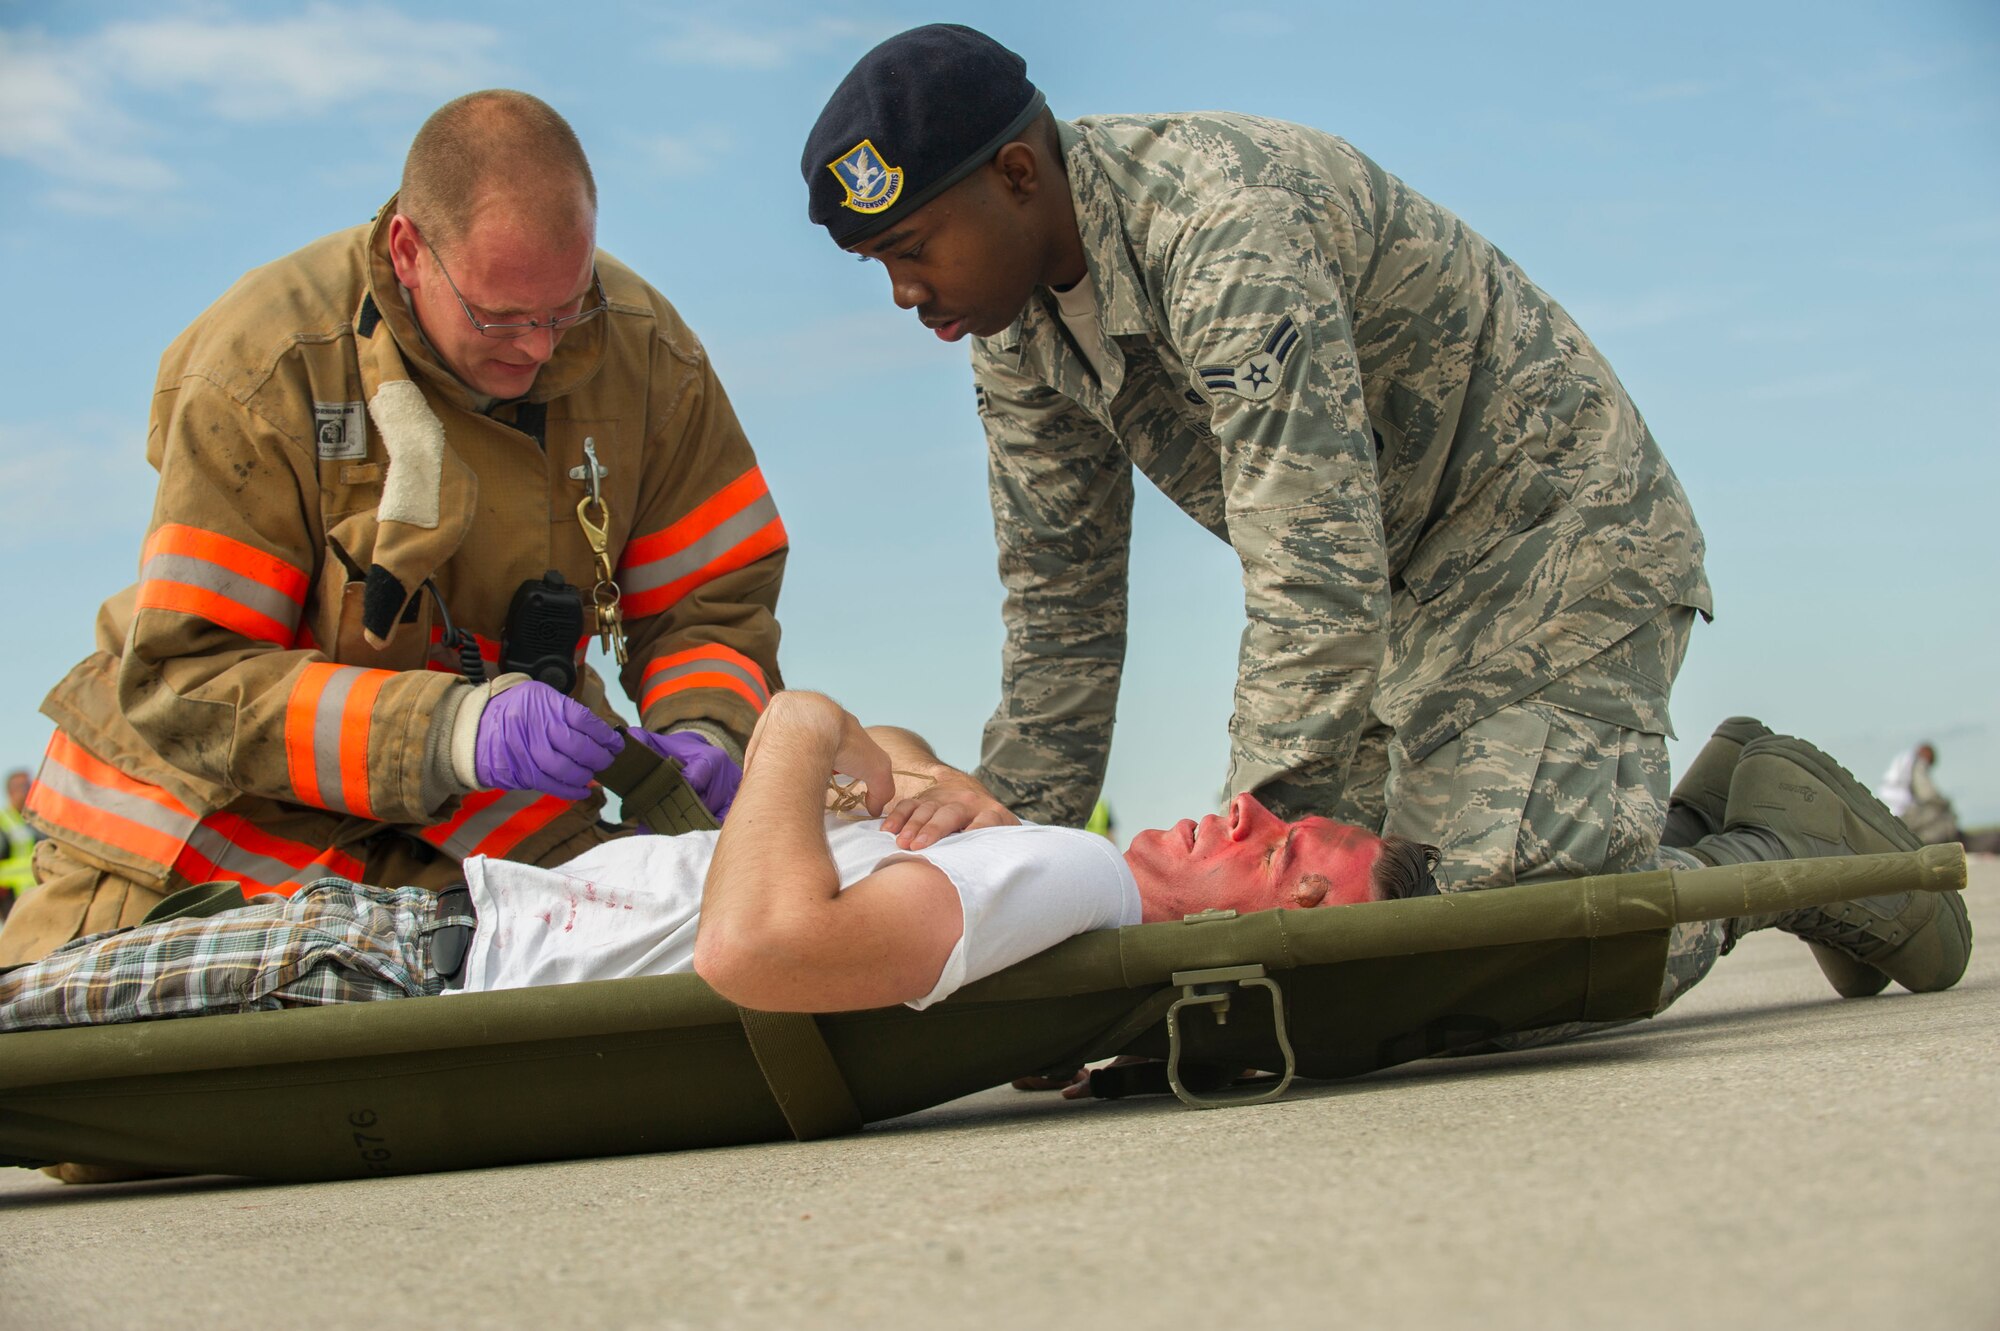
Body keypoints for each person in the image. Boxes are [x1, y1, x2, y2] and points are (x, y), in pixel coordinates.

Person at [798, 25, 1969, 1008]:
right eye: (876, 265)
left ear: (1015, 175)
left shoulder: (1218, 232)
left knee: (1455, 953)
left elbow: (1312, 568)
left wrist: (1248, 889)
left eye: (909, 249)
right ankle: (1693, 809)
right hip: (1395, 599)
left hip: (1550, 542)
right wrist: (1018, 877)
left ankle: (1776, 846)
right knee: (1359, 960)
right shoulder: (1010, 332)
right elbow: (1060, 603)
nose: (904, 293)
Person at [0, 91, 787, 968]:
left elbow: (711, 604)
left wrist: (707, 730)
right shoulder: (265, 364)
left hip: (475, 827)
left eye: (563, 310)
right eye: (498, 318)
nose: (536, 349)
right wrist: (452, 729)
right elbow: (190, 676)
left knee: (655, 962)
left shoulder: (648, 361)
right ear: (411, 252)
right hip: (200, 844)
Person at [0, 691, 1439, 1034]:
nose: (1243, 812)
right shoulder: (1054, 872)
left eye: (1286, 847)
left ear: (1294, 915)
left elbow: (760, 950)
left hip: (405, 961)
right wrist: (903, 760)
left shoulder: (1080, 880)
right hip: (414, 932)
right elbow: (872, 811)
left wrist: (800, 729)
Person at [1876, 742, 1962, 846]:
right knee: (1941, 816)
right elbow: (1926, 794)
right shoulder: (1917, 762)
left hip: (1887, 809)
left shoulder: (1903, 759)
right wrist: (1943, 802)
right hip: (1903, 812)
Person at [0, 769, 38, 920]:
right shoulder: (3, 822)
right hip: (9, 898)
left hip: (36, 894)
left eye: (30, 785)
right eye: (24, 787)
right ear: (11, 792)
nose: (29, 791)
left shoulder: (36, 821)